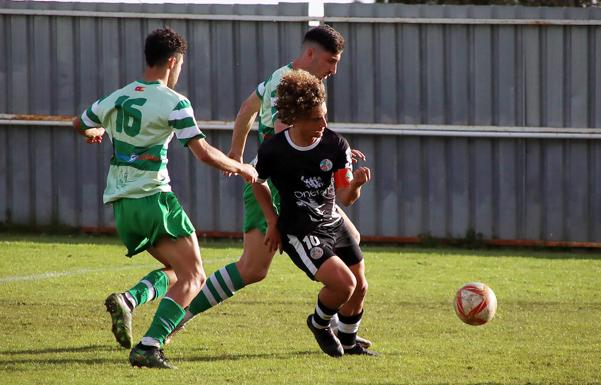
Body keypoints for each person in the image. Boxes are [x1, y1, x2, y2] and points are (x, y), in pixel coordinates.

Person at [168, 24, 372, 349]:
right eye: (331, 61)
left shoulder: (295, 80)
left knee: (350, 239)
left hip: (303, 186)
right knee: (252, 268)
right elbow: (284, 136)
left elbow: (247, 108)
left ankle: (339, 323)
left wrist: (237, 151)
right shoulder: (284, 85)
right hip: (278, 186)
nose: (334, 69)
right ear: (310, 53)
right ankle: (177, 318)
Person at [73, 27, 257, 369]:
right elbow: (202, 153)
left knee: (176, 269)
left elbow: (78, 122)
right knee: (195, 277)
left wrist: (96, 130)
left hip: (121, 205)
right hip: (154, 199)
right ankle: (150, 344)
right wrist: (241, 167)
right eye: (181, 64)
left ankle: (129, 299)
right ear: (173, 61)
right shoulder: (175, 102)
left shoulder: (117, 97)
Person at [252, 70, 376, 357]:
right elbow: (256, 183)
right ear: (294, 118)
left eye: (325, 116)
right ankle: (319, 324)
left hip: (333, 222)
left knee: (359, 287)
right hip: (300, 230)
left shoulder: (336, 145)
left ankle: (349, 341)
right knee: (343, 284)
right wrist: (272, 221)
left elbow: (346, 197)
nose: (323, 124)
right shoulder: (274, 150)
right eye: (315, 118)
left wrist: (355, 185)